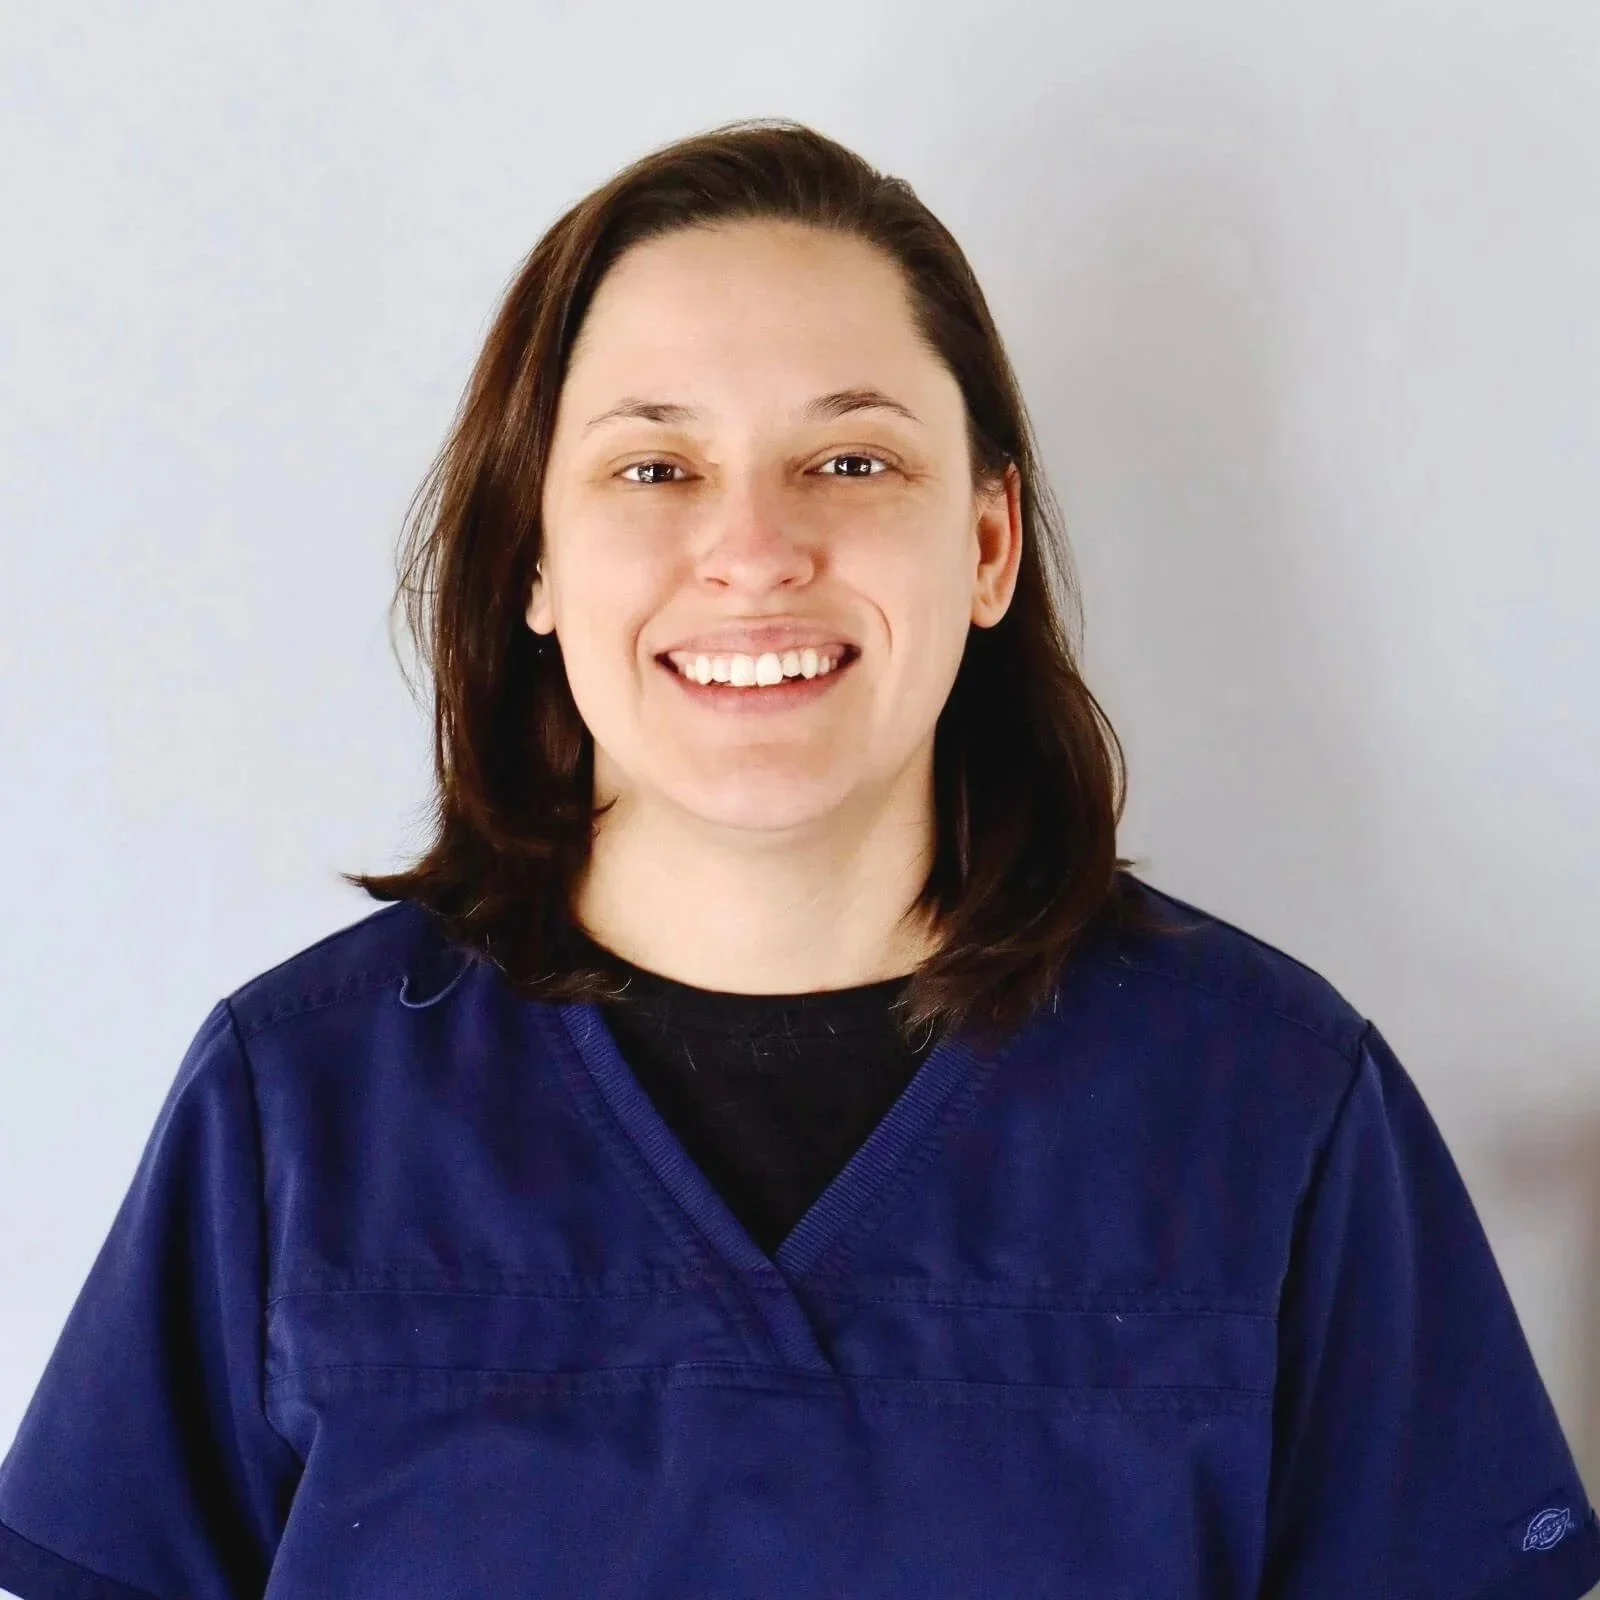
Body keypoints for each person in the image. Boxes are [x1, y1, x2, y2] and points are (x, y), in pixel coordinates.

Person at [0, 117, 1595, 1600]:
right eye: (654, 466)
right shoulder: (298, 1115)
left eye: (852, 462)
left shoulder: (1275, 1111)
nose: (754, 549)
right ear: (534, 560)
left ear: (984, 545)